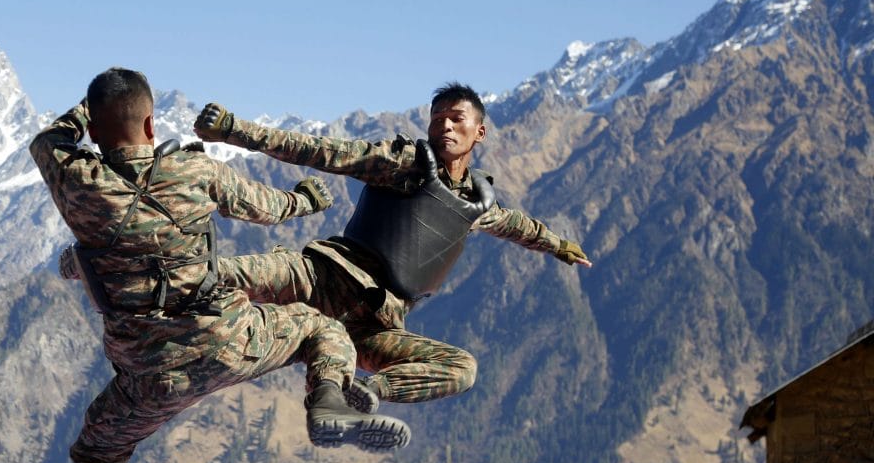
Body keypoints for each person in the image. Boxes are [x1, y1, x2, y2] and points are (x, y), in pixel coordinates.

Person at [30, 68, 411, 463]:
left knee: (94, 459)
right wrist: (307, 198)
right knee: (318, 327)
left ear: (94, 127)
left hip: (145, 376)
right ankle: (327, 398)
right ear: (153, 123)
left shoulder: (76, 182)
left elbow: (46, 140)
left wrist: (85, 114)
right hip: (225, 341)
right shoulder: (192, 169)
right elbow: (270, 208)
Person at [194, 83, 592, 411]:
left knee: (462, 368)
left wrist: (558, 245)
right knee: (214, 274)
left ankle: (365, 394)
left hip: (373, 325)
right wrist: (234, 130)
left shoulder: (476, 205)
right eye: (438, 119)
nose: (445, 127)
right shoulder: (400, 164)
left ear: (479, 132)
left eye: (457, 119)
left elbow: (516, 225)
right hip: (321, 278)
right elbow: (321, 151)